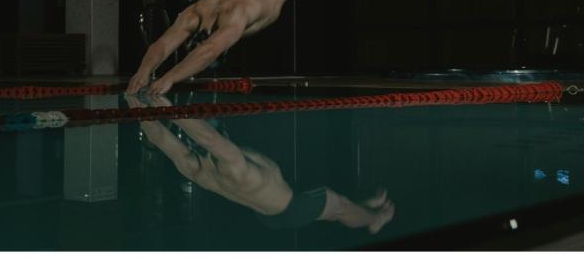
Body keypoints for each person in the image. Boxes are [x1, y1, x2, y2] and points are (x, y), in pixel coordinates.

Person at [127, 0, 393, 95]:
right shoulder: (195, 13)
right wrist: (143, 71)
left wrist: (170, 78)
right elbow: (161, 46)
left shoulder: (234, 17)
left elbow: (208, 51)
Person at [126, 94, 396, 232]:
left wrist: (134, 101)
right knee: (340, 207)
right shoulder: (232, 164)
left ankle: (365, 208)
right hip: (293, 207)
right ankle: (374, 219)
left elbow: (159, 138)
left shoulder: (194, 167)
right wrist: (167, 106)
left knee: (337, 210)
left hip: (269, 215)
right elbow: (208, 138)